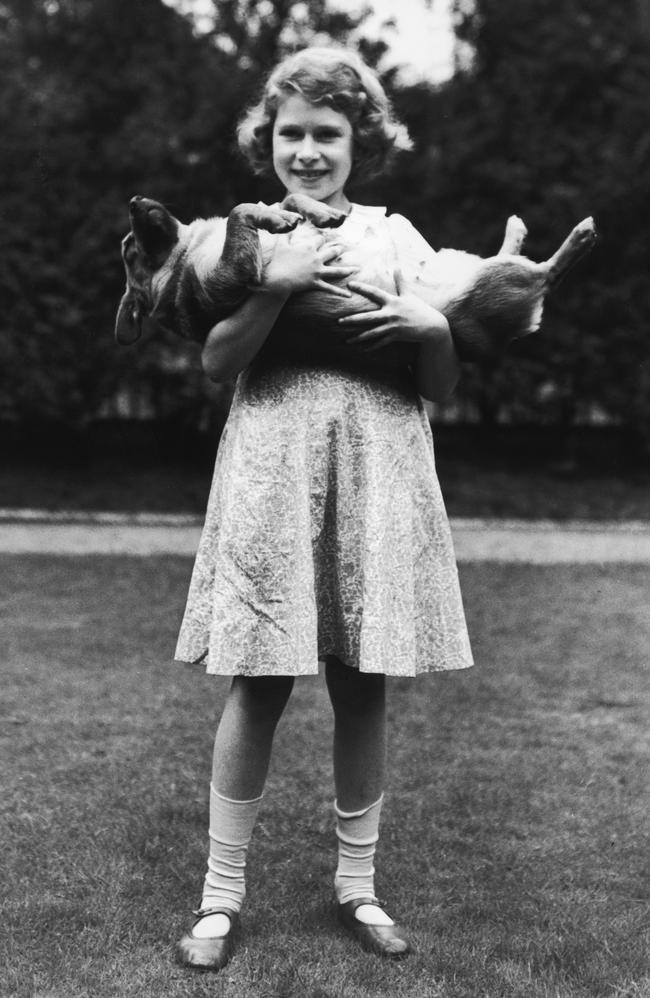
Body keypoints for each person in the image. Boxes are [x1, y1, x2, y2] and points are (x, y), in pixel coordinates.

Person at [174, 46, 474, 971]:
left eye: (327, 134)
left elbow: (443, 386)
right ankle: (220, 900)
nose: (307, 150)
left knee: (362, 684)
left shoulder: (395, 235)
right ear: (267, 140)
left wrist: (433, 330)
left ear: (361, 142)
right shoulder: (247, 234)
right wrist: (276, 280)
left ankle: (360, 888)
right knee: (259, 679)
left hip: (379, 466)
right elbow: (219, 362)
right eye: (291, 133)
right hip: (274, 467)